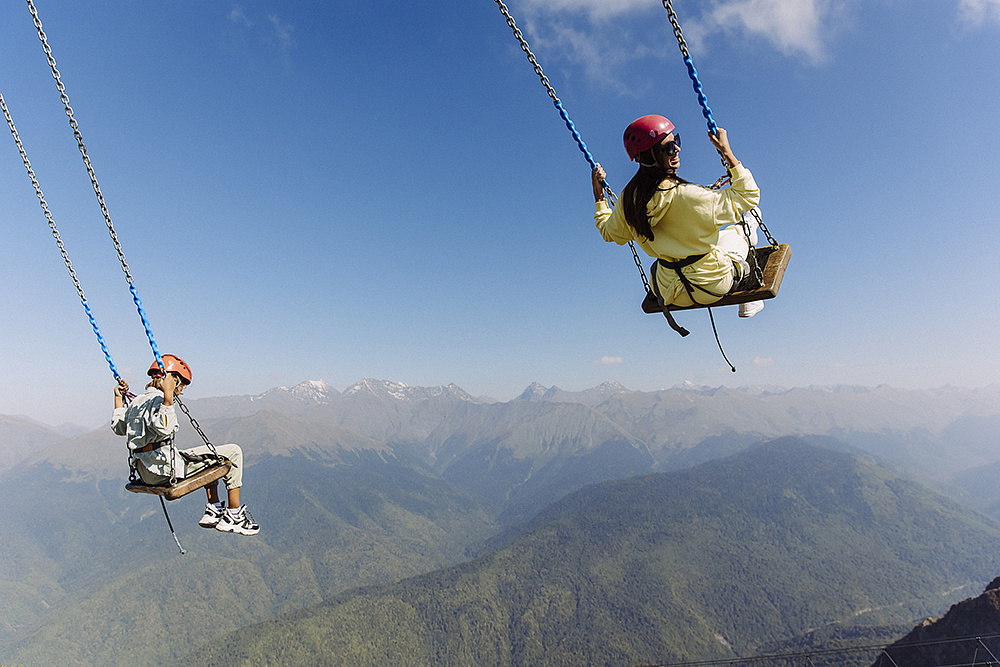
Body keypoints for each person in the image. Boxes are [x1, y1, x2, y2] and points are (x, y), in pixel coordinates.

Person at [591, 114, 764, 318]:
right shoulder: (689, 196)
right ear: (652, 155)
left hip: (669, 291)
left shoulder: (628, 201)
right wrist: (727, 153)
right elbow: (749, 196)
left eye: (677, 141)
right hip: (711, 286)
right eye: (670, 147)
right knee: (744, 225)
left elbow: (608, 232)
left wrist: (599, 197)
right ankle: (750, 299)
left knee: (712, 242)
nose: (678, 149)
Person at [112, 354, 259, 536]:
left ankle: (214, 510)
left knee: (208, 456)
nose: (180, 392)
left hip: (145, 471)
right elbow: (165, 428)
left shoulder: (136, 402)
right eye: (180, 386)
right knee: (234, 452)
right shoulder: (160, 401)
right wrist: (168, 398)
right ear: (173, 380)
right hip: (164, 470)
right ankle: (234, 515)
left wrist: (118, 399)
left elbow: (119, 428)